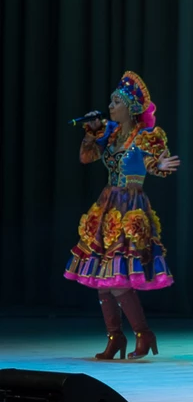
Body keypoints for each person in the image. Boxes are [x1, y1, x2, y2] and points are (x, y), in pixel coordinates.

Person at [65, 71, 181, 360]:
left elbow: (156, 165)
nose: (110, 107)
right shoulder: (111, 133)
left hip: (130, 207)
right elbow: (86, 157)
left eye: (116, 102)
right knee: (103, 279)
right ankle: (115, 337)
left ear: (130, 108)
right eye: (111, 101)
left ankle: (143, 333)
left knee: (116, 279)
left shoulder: (145, 136)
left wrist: (160, 165)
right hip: (107, 206)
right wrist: (92, 131)